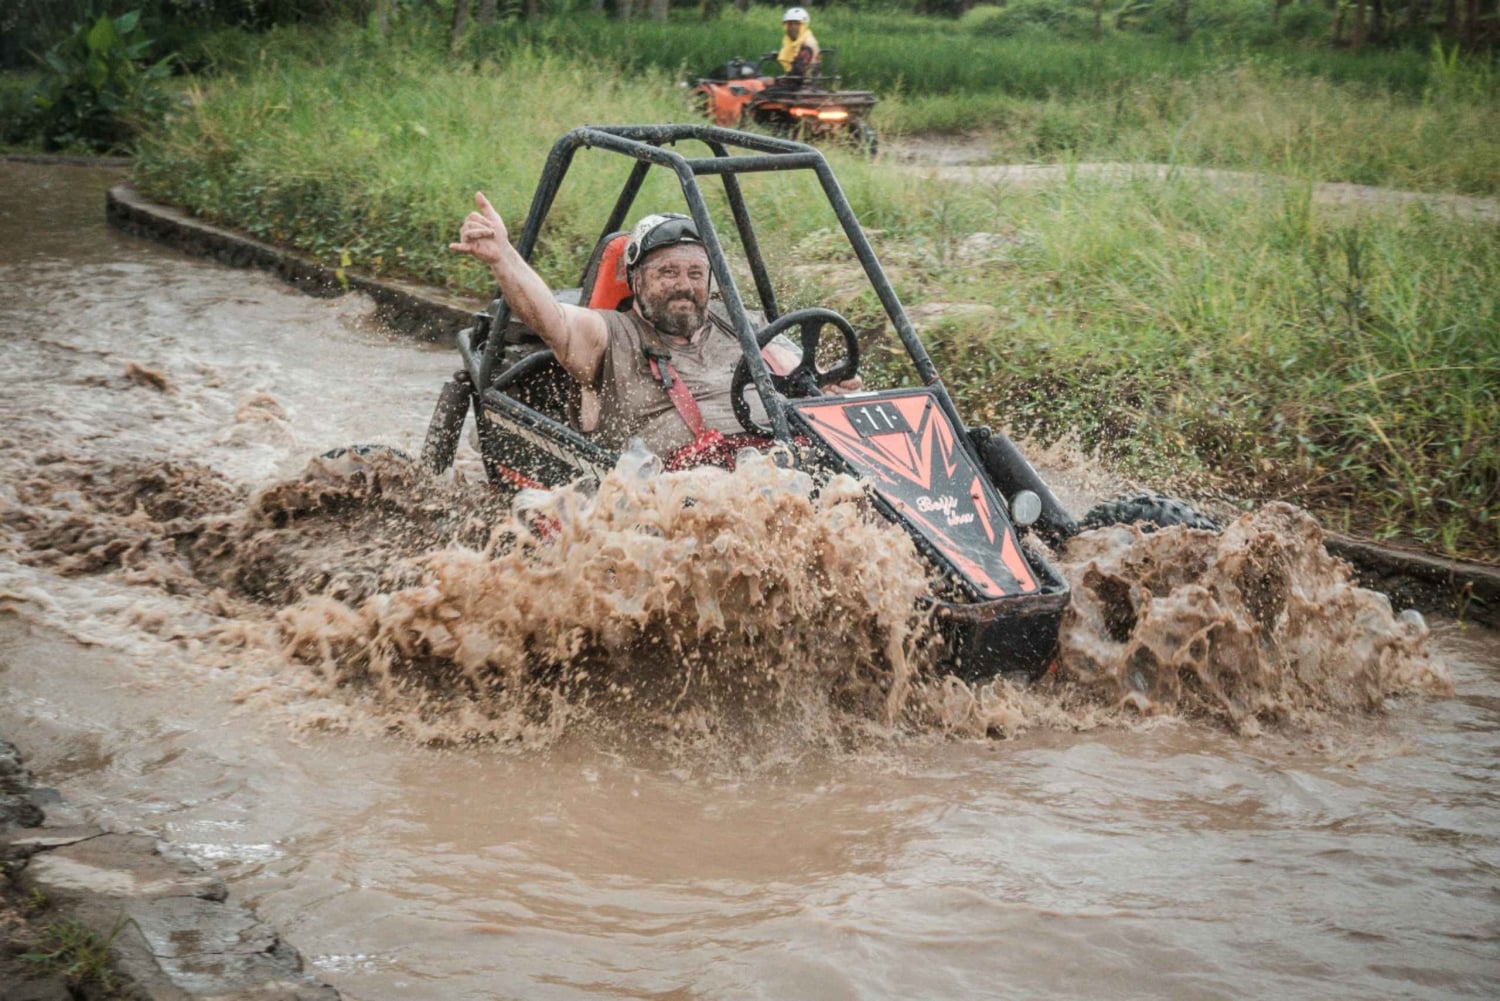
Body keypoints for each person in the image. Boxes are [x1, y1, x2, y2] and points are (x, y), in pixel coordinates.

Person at [449, 193, 856, 465]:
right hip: (674, 494)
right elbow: (552, 320)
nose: (683, 285)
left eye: (696, 272)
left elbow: (798, 373)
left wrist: (827, 388)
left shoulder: (740, 323)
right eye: (667, 272)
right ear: (635, 279)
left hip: (774, 465)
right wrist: (503, 258)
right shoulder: (612, 334)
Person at [773, 7, 821, 85]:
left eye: (797, 24)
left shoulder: (807, 44)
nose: (792, 27)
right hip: (796, 80)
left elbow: (799, 72)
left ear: (804, 26)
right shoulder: (793, 43)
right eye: (789, 24)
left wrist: (775, 81)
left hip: (804, 83)